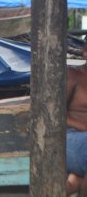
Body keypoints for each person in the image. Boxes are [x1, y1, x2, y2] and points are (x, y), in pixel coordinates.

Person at [67, 41, 87, 197]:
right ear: (85, 51)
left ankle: (75, 183)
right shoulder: (73, 75)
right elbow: (54, 114)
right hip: (71, 138)